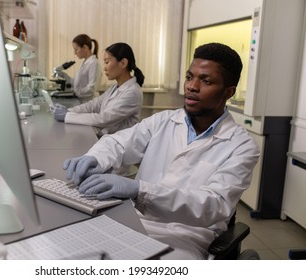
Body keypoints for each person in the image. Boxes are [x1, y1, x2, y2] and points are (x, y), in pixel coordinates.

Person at [61, 42, 260, 259]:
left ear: (228, 92)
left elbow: (214, 206)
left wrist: (139, 190)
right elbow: (118, 142)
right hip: (132, 220)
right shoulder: (164, 120)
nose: (192, 86)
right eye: (189, 77)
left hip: (185, 239)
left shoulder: (241, 146)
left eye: (206, 81)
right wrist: (94, 158)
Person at [52, 42, 145, 138]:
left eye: (107, 62)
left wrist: (67, 116)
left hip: (118, 145)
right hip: (106, 138)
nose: (104, 67)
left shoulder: (132, 92)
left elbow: (104, 119)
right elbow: (94, 104)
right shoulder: (115, 87)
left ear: (123, 63)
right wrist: (69, 111)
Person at [59, 34, 102, 102]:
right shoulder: (84, 63)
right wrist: (65, 76)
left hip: (91, 103)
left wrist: (77, 93)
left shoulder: (94, 63)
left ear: (85, 47)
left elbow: (92, 88)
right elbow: (77, 83)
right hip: (83, 102)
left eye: (76, 49)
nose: (75, 53)